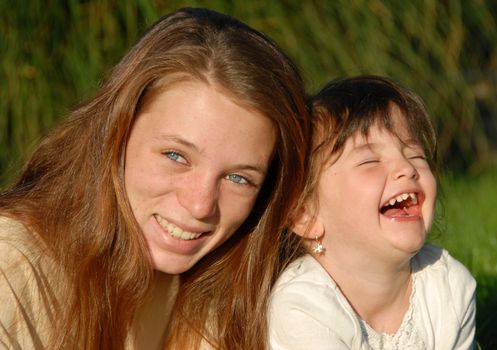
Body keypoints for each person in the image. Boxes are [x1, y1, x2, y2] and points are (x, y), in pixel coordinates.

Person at [0, 7, 310, 349]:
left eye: (238, 178)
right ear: (117, 132)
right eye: (176, 156)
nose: (199, 205)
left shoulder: (227, 282)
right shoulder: (11, 267)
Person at [268, 76, 476, 349]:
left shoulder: (449, 286)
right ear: (304, 216)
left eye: (415, 155)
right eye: (370, 160)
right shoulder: (302, 305)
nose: (406, 167)